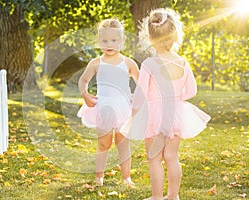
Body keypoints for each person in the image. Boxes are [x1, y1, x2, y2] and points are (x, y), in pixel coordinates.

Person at [131, 8, 211, 200]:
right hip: (174, 114)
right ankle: (173, 195)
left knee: (154, 159)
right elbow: (191, 91)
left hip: (153, 117)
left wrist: (134, 114)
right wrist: (175, 100)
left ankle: (157, 197)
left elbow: (140, 95)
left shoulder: (149, 64)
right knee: (171, 157)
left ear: (150, 38)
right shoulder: (182, 63)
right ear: (175, 35)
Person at [77, 18, 139, 187]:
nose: (109, 44)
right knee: (104, 143)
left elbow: (142, 83)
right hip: (104, 107)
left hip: (123, 109)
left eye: (114, 40)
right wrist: (85, 94)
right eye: (104, 41)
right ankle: (99, 177)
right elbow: (83, 81)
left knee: (122, 143)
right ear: (99, 41)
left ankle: (126, 178)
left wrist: (137, 96)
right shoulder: (96, 62)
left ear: (122, 41)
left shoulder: (128, 63)